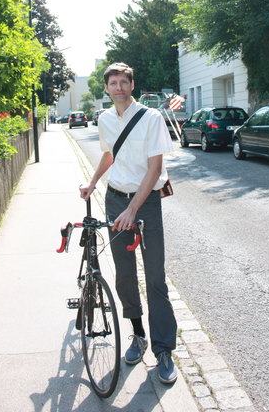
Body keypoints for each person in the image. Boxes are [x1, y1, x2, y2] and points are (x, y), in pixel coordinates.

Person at [79, 62, 177, 385]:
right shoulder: (104, 119)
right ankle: (138, 334)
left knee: (155, 277)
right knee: (124, 274)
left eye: (124, 82)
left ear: (132, 85)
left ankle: (164, 350)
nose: (119, 87)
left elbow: (154, 168)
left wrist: (134, 209)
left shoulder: (151, 118)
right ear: (106, 88)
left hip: (144, 203)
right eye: (113, 83)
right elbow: (109, 155)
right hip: (115, 200)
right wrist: (93, 182)